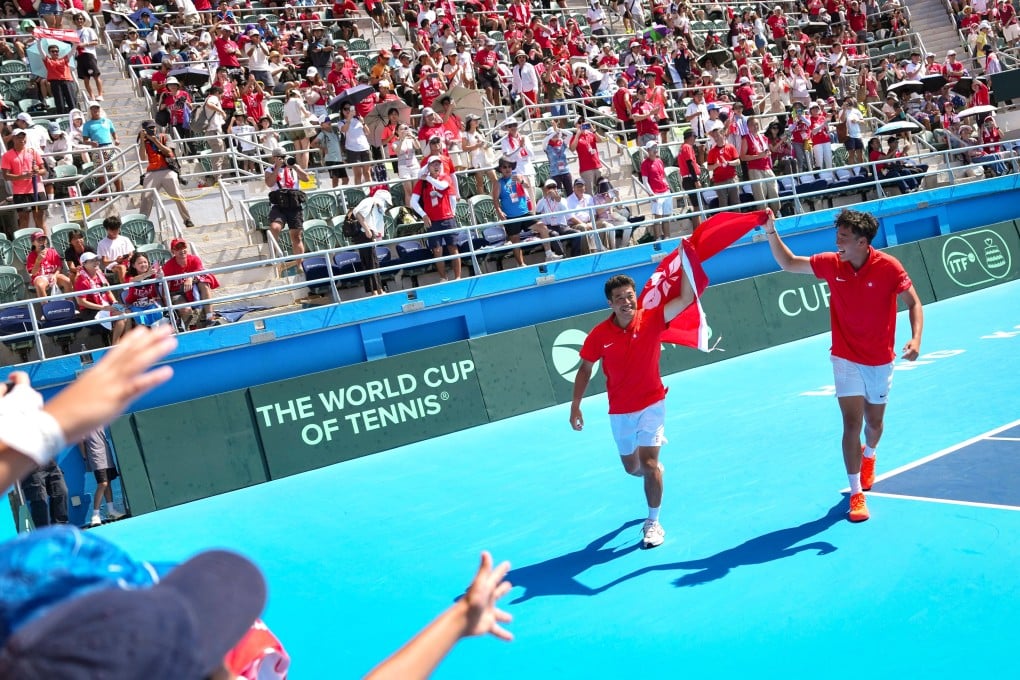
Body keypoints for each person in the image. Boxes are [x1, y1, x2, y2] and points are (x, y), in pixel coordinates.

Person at [761, 209, 924, 522]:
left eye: (844, 238)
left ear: (862, 243)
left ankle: (870, 455)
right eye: (837, 236)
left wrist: (916, 339)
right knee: (851, 424)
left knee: (873, 425)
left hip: (879, 359)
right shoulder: (831, 263)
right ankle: (856, 494)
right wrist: (770, 230)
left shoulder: (889, 267)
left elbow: (914, 303)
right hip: (845, 355)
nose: (837, 242)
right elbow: (788, 262)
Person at [569, 273, 695, 547]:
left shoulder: (653, 318)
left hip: (652, 403)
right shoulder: (599, 334)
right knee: (632, 468)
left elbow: (686, 298)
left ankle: (653, 522)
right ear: (610, 304)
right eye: (619, 299)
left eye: (629, 296)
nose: (626, 302)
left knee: (649, 466)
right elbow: (585, 369)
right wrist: (575, 405)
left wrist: (687, 262)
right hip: (620, 411)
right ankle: (653, 470)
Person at [491, 157, 563, 267]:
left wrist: (522, 181)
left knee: (543, 227)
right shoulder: (498, 183)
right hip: (511, 216)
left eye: (509, 166)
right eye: (504, 167)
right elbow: (495, 199)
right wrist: (499, 211)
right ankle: (521, 264)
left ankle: (549, 254)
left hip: (524, 213)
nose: (507, 169)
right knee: (515, 241)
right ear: (500, 169)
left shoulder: (518, 176)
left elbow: (528, 186)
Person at [411, 155, 462, 282]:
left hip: (447, 218)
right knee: (437, 250)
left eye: (438, 164)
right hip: (433, 221)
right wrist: (423, 215)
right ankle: (443, 277)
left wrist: (427, 177)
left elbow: (442, 187)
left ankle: (458, 278)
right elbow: (413, 202)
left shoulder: (445, 177)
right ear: (428, 167)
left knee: (453, 248)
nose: (436, 166)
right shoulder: (422, 183)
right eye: (433, 164)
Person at [137, 120, 194, 228]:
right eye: (149, 128)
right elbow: (143, 158)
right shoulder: (144, 140)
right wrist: (143, 141)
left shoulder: (165, 136)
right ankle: (142, 223)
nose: (152, 129)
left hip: (167, 169)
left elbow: (169, 152)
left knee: (177, 194)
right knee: (145, 197)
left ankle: (187, 219)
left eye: (153, 127)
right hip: (152, 172)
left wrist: (155, 140)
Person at [162, 239, 221, 329]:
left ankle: (210, 318)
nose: (182, 250)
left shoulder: (194, 259)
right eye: (178, 248)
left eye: (184, 247)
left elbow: (203, 275)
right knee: (186, 309)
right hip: (176, 293)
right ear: (173, 251)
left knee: (204, 283)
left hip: (193, 289)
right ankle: (185, 329)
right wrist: (168, 308)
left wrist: (190, 277)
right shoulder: (168, 266)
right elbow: (166, 289)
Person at [265, 149, 311, 257]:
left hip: (294, 204)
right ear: (274, 158)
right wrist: (277, 167)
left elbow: (306, 178)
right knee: (275, 227)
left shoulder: (293, 167)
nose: (283, 158)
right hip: (279, 204)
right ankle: (274, 254)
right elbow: (269, 183)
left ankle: (300, 264)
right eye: (280, 157)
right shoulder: (270, 169)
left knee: (296, 236)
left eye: (284, 156)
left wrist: (294, 166)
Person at [75, 252, 127, 345]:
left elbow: (108, 291)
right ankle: (116, 345)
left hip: (104, 306)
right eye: (92, 261)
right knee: (121, 316)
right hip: (90, 311)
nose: (96, 262)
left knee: (127, 312)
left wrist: (115, 302)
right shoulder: (81, 280)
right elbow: (81, 302)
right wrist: (103, 308)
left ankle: (125, 341)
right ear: (84, 264)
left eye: (96, 260)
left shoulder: (100, 274)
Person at [1, 129, 46, 233]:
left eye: (23, 137)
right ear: (13, 138)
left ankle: (46, 246)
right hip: (20, 192)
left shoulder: (33, 152)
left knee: (39, 219)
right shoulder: (7, 155)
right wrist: (23, 176)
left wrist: (37, 171)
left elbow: (44, 171)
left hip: (37, 189)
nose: (22, 139)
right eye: (18, 137)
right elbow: (6, 176)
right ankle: (24, 247)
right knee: (24, 220)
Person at [80, 427, 126, 527]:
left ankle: (111, 511)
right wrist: (84, 457)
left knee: (108, 482)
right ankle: (95, 515)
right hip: (96, 456)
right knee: (103, 483)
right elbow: (80, 441)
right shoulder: (83, 424)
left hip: (106, 454)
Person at [351, 188, 392, 295]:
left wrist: (375, 235)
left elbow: (377, 223)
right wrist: (367, 230)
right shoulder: (369, 201)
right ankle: (377, 290)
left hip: (368, 235)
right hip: (363, 235)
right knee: (371, 263)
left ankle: (377, 290)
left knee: (372, 263)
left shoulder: (376, 207)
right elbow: (357, 212)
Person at [638, 141, 672, 241]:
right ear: (648, 150)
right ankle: (658, 239)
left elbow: (663, 176)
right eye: (653, 148)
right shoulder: (645, 164)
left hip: (665, 191)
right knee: (658, 217)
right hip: (656, 193)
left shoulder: (659, 161)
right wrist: (651, 193)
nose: (655, 149)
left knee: (666, 216)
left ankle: (667, 237)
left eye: (656, 147)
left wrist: (668, 186)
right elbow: (645, 181)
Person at [25, 231, 71, 299]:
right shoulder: (31, 255)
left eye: (43, 239)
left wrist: (55, 276)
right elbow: (33, 273)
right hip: (40, 277)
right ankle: (46, 307)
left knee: (67, 281)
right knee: (40, 285)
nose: (42, 242)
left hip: (54, 275)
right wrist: (38, 261)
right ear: (33, 243)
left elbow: (59, 266)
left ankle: (69, 304)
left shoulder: (52, 251)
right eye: (39, 240)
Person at [96, 216, 135, 284]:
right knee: (121, 267)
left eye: (117, 229)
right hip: (112, 267)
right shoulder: (102, 243)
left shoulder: (125, 239)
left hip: (127, 263)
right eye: (112, 230)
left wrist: (128, 258)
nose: (115, 232)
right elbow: (104, 262)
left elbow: (131, 253)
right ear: (107, 229)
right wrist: (116, 260)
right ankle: (125, 287)